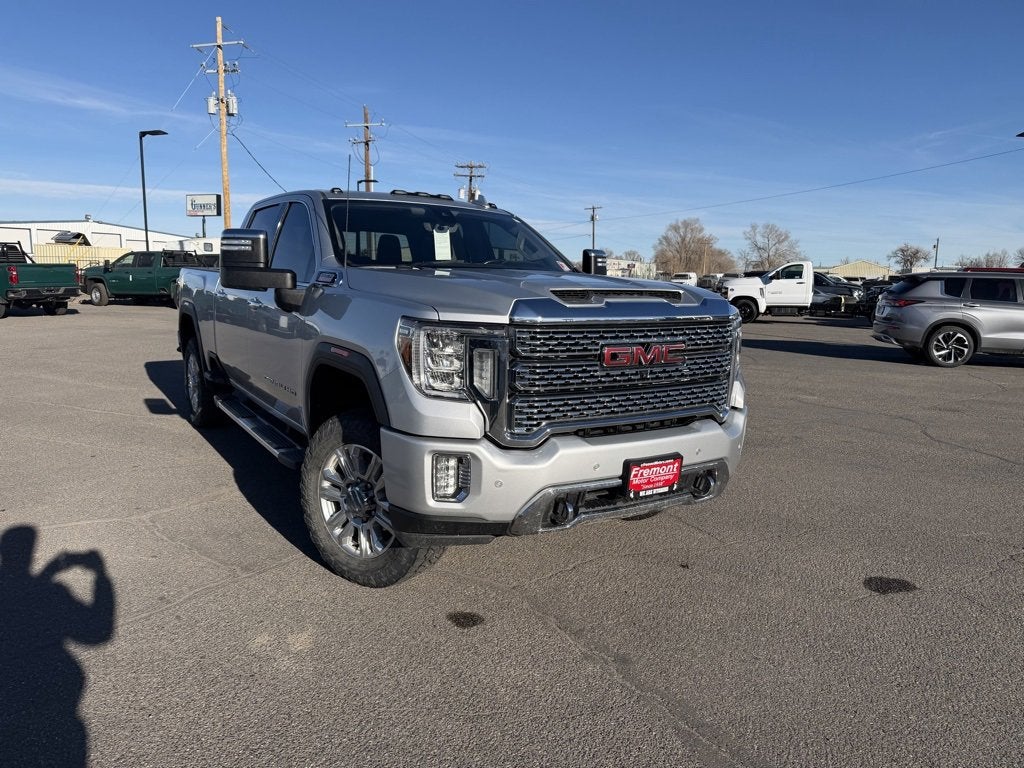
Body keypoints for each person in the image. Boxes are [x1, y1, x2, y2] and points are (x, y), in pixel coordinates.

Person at [0, 526, 115, 767]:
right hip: (50, 704)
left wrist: (47, 573)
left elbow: (19, 601)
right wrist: (101, 577)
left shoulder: (35, 591)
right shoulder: (49, 595)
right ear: (31, 555)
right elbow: (96, 632)